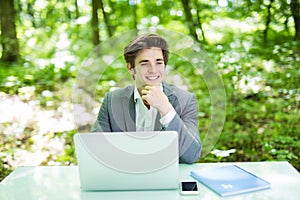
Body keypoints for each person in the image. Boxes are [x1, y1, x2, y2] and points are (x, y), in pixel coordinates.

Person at [92, 33, 202, 164]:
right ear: (130, 68)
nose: (153, 70)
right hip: (125, 176)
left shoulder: (185, 100)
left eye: (158, 62)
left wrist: (166, 109)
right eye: (144, 63)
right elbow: (96, 150)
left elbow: (192, 155)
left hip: (167, 178)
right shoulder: (112, 100)